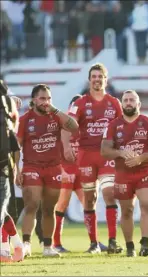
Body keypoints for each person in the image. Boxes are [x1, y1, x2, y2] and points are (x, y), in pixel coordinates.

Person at [65, 63, 123, 254]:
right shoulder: (80, 103)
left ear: (106, 80)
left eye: (101, 76)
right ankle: (94, 243)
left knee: (109, 194)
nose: (97, 79)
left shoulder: (114, 103)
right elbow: (68, 123)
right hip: (86, 156)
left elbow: (123, 128)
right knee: (89, 199)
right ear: (89, 80)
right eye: (94, 76)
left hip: (107, 155)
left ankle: (113, 240)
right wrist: (66, 145)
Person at [16, 84, 79, 257]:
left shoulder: (55, 116)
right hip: (32, 166)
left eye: (49, 98)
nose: (46, 102)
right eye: (42, 98)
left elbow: (74, 127)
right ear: (34, 100)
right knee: (32, 204)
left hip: (53, 167)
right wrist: (16, 169)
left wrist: (55, 109)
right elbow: (16, 146)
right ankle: (26, 244)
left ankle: (47, 247)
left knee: (49, 209)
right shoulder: (25, 120)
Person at [101, 90, 148, 257]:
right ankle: (130, 246)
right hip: (123, 173)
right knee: (127, 211)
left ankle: (145, 244)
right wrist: (121, 153)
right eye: (126, 100)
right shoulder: (114, 125)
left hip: (145, 170)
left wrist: (140, 158)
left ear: (139, 104)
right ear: (122, 104)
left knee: (146, 204)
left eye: (132, 100)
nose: (128, 103)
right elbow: (104, 150)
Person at [53, 95, 84, 252]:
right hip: (65, 171)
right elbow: (53, 150)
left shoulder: (85, 125)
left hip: (81, 172)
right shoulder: (61, 125)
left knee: (88, 206)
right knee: (61, 206)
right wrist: (61, 170)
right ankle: (56, 243)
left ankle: (95, 242)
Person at [0, 80, 24, 262]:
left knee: (1, 210)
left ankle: (5, 250)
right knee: (2, 211)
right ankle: (16, 244)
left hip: (3, 167)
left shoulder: (6, 116)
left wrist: (15, 169)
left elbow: (14, 144)